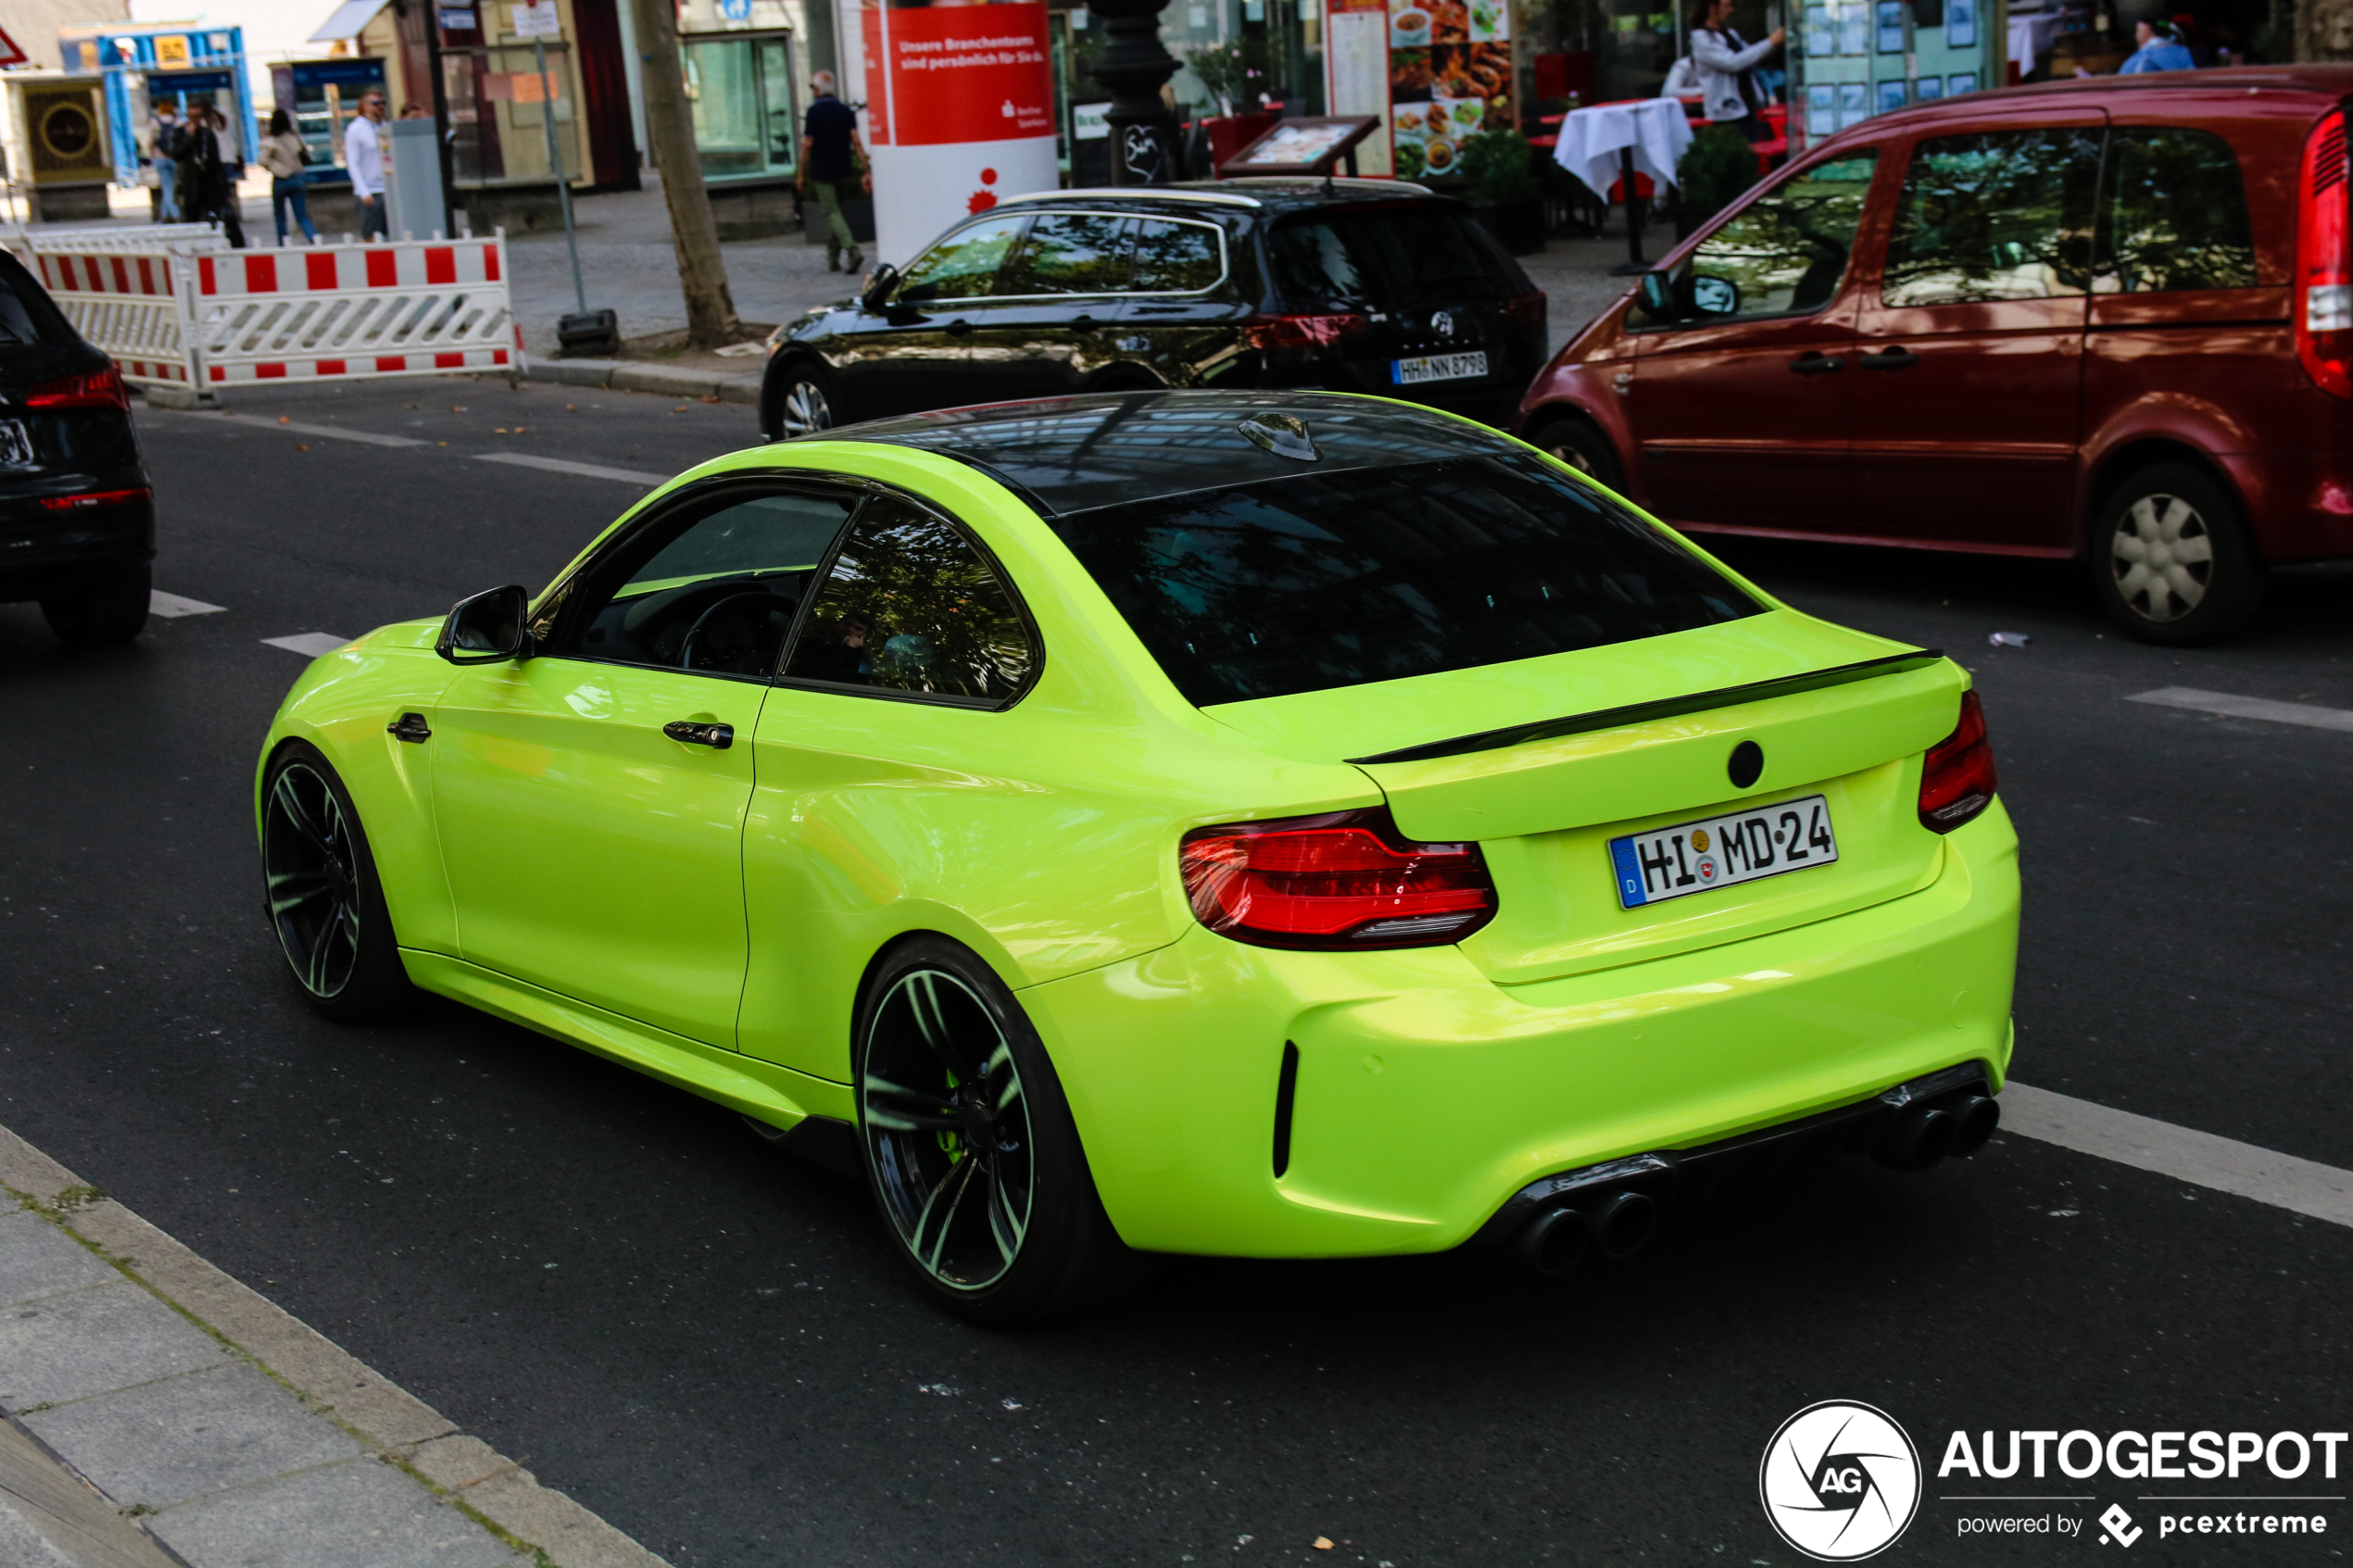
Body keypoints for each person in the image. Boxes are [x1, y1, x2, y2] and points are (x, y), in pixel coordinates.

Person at [798, 71, 870, 275]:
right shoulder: (845, 111)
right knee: (837, 214)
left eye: (812, 88)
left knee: (832, 212)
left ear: (818, 90)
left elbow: (807, 144)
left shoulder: (813, 112)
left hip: (822, 171)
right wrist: (865, 169)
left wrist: (801, 174)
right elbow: (856, 141)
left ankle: (853, 250)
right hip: (843, 169)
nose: (812, 91)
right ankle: (832, 258)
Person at [1687, 0, 1785, 144]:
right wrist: (1770, 42)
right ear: (1713, 8)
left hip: (1747, 105)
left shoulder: (1731, 34)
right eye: (1727, 5)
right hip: (1726, 111)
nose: (1731, 10)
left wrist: (1772, 46)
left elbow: (1750, 55)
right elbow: (1733, 62)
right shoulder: (1702, 39)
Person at [186, 106, 246, 248]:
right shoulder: (223, 121)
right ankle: (223, 234)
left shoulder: (206, 130)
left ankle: (220, 236)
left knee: (211, 210)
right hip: (225, 163)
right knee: (217, 208)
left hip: (212, 173)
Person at [258, 108, 319, 246]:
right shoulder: (295, 137)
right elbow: (305, 155)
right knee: (301, 214)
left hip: (281, 180)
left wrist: (275, 168)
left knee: (280, 215)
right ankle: (313, 237)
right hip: (298, 177)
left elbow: (263, 160)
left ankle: (283, 243)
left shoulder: (271, 141)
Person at [346, 90, 389, 240]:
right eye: (375, 103)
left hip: (388, 188)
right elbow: (352, 162)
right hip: (371, 191)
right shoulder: (356, 129)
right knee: (371, 236)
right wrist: (363, 191)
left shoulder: (385, 126)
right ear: (365, 106)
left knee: (391, 234)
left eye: (383, 103)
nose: (380, 106)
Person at [151, 102, 188, 222]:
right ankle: (163, 217)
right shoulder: (179, 122)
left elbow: (151, 141)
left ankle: (175, 215)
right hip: (175, 158)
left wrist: (151, 155)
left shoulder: (155, 122)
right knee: (170, 187)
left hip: (160, 158)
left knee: (167, 188)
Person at [2120, 17, 2197, 70]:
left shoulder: (2145, 58)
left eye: (2138, 31)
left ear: (2146, 30)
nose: (2136, 36)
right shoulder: (2183, 51)